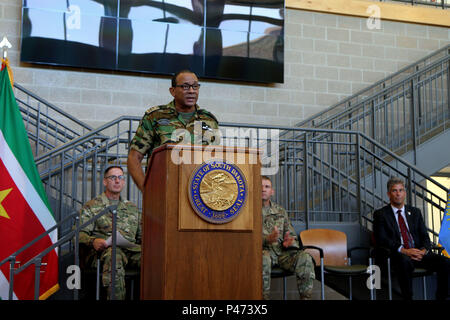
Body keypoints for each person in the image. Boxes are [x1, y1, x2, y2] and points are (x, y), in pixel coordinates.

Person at [127, 69, 219, 192]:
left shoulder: (209, 120)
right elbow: (134, 158)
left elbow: (215, 158)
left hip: (200, 194)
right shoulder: (155, 116)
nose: (191, 91)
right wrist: (146, 190)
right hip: (164, 192)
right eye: (185, 87)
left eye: (195, 86)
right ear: (173, 91)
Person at [373, 177, 450, 300]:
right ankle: (407, 298)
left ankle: (442, 297)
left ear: (405, 193)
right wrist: (405, 251)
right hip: (397, 255)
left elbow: (425, 236)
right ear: (389, 194)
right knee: (404, 262)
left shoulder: (415, 212)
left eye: (401, 190)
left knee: (445, 262)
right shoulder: (381, 214)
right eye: (394, 191)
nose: (398, 194)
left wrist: (423, 250)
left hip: (418, 253)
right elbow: (382, 239)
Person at [78, 165, 142, 300]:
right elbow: (78, 234)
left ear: (124, 182)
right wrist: (93, 241)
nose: (117, 181)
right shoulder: (92, 206)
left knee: (157, 258)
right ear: (105, 182)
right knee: (114, 255)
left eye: (120, 178)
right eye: (113, 177)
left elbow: (142, 237)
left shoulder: (132, 208)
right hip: (102, 253)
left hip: (130, 251)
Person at [261, 176, 315, 300]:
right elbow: (245, 239)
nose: (263, 189)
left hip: (282, 254)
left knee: (305, 257)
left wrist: (289, 242)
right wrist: (266, 239)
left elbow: (291, 234)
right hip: (262, 253)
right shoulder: (249, 211)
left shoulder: (280, 211)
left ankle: (305, 298)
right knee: (263, 258)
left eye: (267, 186)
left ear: (272, 191)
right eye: (260, 187)